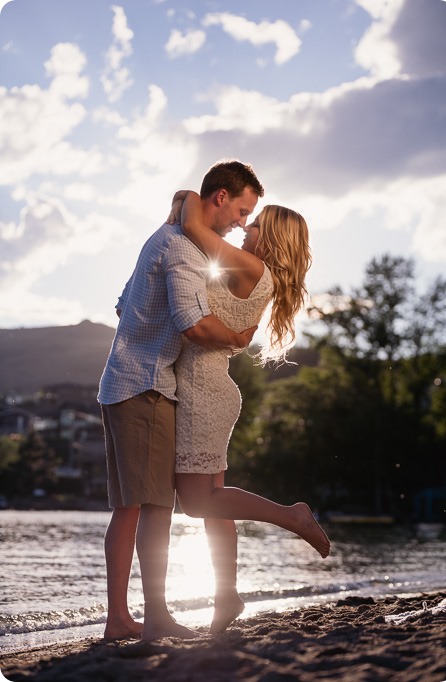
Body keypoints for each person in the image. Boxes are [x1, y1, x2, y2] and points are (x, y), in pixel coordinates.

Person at [98, 160, 265, 641]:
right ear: (220, 198)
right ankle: (152, 618)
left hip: (120, 383)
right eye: (241, 210)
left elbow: (121, 302)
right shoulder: (185, 249)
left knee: (130, 507)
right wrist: (236, 337)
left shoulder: (164, 235)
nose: (241, 222)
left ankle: (120, 619)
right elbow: (193, 323)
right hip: (148, 388)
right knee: (153, 508)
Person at [168, 190, 331, 634]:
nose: (244, 227)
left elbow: (193, 228)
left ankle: (291, 515)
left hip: (203, 392)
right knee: (214, 504)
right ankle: (226, 596)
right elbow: (238, 335)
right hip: (212, 390)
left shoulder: (252, 268)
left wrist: (187, 196)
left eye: (254, 224)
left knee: (198, 503)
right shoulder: (263, 277)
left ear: (270, 239)